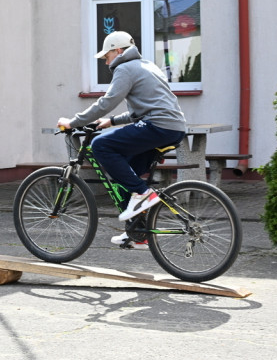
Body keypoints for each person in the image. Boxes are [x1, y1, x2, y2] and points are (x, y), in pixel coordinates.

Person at [58, 31, 187, 248]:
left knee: (100, 145)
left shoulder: (125, 68)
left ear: (118, 51)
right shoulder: (147, 65)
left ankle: (144, 193)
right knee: (128, 175)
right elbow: (145, 109)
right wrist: (113, 121)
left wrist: (74, 122)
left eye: (106, 56)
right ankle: (138, 234)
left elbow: (106, 102)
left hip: (158, 126)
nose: (106, 61)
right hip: (172, 127)